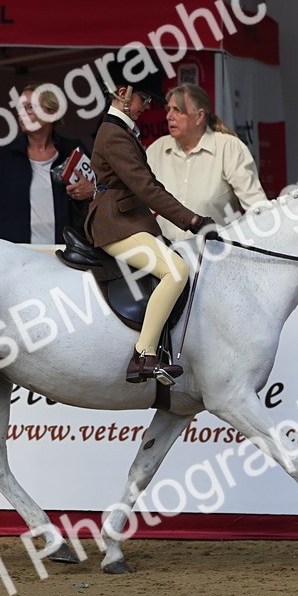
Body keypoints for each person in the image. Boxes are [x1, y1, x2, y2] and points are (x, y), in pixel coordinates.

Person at [87, 64, 214, 384]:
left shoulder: (121, 131)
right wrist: (192, 220)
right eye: (143, 98)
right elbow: (146, 188)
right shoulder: (114, 134)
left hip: (128, 218)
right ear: (122, 93)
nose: (147, 106)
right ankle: (144, 354)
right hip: (116, 223)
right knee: (176, 271)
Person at [0, 84, 96, 244]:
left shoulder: (72, 150)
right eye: (20, 108)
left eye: (30, 107)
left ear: (51, 111)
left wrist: (92, 191)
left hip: (65, 252)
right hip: (14, 253)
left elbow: (104, 188)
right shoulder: (5, 155)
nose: (22, 113)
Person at [147, 83, 269, 242]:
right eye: (168, 109)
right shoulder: (156, 150)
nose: (169, 116)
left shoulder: (228, 147)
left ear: (199, 116)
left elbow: (256, 205)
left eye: (177, 110)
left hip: (215, 256)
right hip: (166, 257)